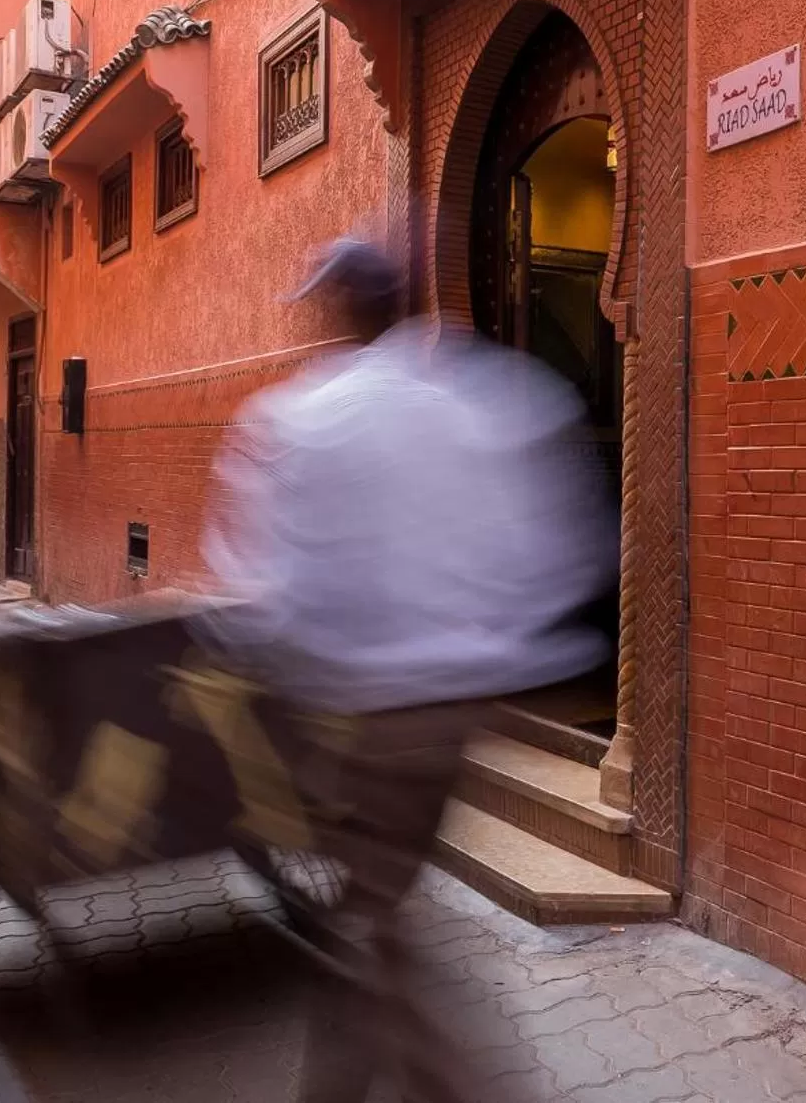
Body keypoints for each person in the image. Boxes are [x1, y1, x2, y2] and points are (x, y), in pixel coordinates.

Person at [201, 237, 617, 1102]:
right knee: (373, 911)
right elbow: (560, 555)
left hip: (355, 719)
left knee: (368, 924)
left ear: (341, 307)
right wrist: (489, 640)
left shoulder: (302, 419)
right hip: (454, 714)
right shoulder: (484, 404)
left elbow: (268, 589)